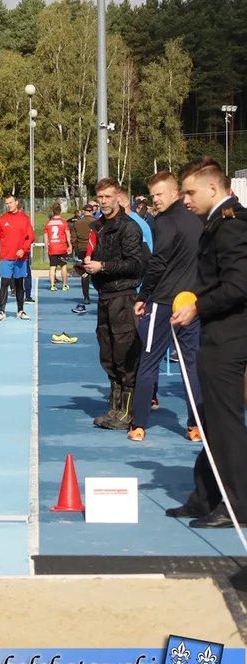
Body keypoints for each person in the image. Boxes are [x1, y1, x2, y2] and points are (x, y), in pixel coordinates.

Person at [169, 157, 247, 529]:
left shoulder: (230, 226)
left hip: (229, 336)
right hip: (220, 334)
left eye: (189, 191)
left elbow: (238, 285)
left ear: (213, 188)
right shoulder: (217, 223)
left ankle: (238, 506)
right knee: (213, 420)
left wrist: (197, 307)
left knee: (225, 422)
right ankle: (206, 497)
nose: (185, 199)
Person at [128, 171, 203, 443]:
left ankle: (138, 424)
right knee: (192, 365)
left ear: (175, 193)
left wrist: (143, 296)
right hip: (191, 303)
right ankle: (196, 426)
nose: (155, 200)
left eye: (160, 194)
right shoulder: (198, 218)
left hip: (163, 303)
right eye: (152, 195)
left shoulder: (166, 221)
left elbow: (158, 263)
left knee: (148, 361)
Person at [83, 178, 144, 430]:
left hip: (123, 296)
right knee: (107, 353)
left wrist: (104, 266)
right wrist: (87, 267)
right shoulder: (97, 226)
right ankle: (115, 407)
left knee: (125, 352)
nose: (104, 202)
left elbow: (136, 264)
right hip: (105, 295)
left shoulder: (129, 228)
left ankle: (127, 411)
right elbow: (96, 257)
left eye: (108, 197)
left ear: (118, 196)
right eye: (100, 197)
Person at [0, 195, 33, 321]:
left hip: (20, 258)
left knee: (20, 284)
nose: (9, 205)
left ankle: (20, 310)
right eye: (6, 203)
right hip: (5, 257)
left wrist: (23, 249)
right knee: (4, 283)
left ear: (16, 203)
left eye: (11, 202)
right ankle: (1, 311)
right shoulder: (1, 220)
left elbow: (30, 237)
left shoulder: (25, 219)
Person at [70, 203, 96, 313]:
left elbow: (73, 238)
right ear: (92, 211)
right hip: (94, 249)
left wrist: (76, 249)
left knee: (84, 273)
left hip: (81, 249)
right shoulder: (96, 222)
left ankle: (86, 297)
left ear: (84, 211)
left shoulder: (78, 223)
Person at [44, 202, 71, 291]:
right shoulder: (63, 223)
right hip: (62, 247)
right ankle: (64, 285)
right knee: (63, 266)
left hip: (52, 247)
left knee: (52, 266)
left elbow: (46, 236)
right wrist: (69, 245)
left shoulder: (48, 223)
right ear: (60, 211)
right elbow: (67, 235)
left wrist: (47, 246)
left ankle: (52, 285)